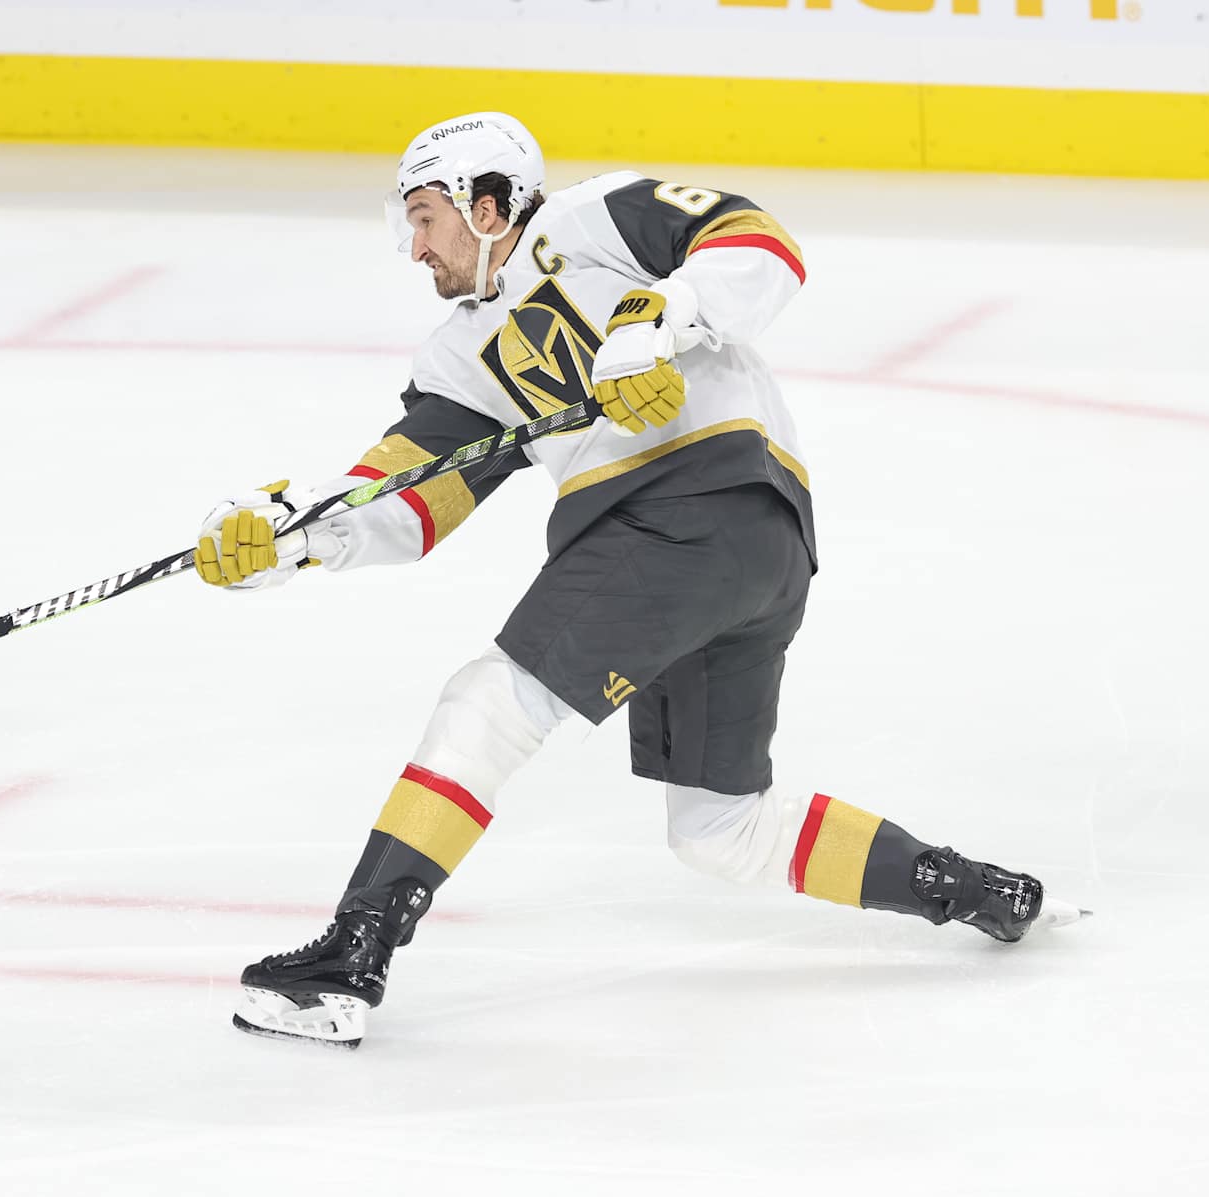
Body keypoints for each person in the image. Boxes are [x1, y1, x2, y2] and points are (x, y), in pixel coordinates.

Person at [194, 112, 1082, 1048]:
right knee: (719, 828)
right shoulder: (459, 357)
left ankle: (347, 964)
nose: (413, 247)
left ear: (487, 204)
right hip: (750, 551)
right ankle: (979, 890)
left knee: (486, 707)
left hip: (689, 512)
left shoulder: (591, 221)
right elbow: (416, 499)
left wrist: (658, 318)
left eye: (425, 217)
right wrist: (294, 533)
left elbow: (759, 241)